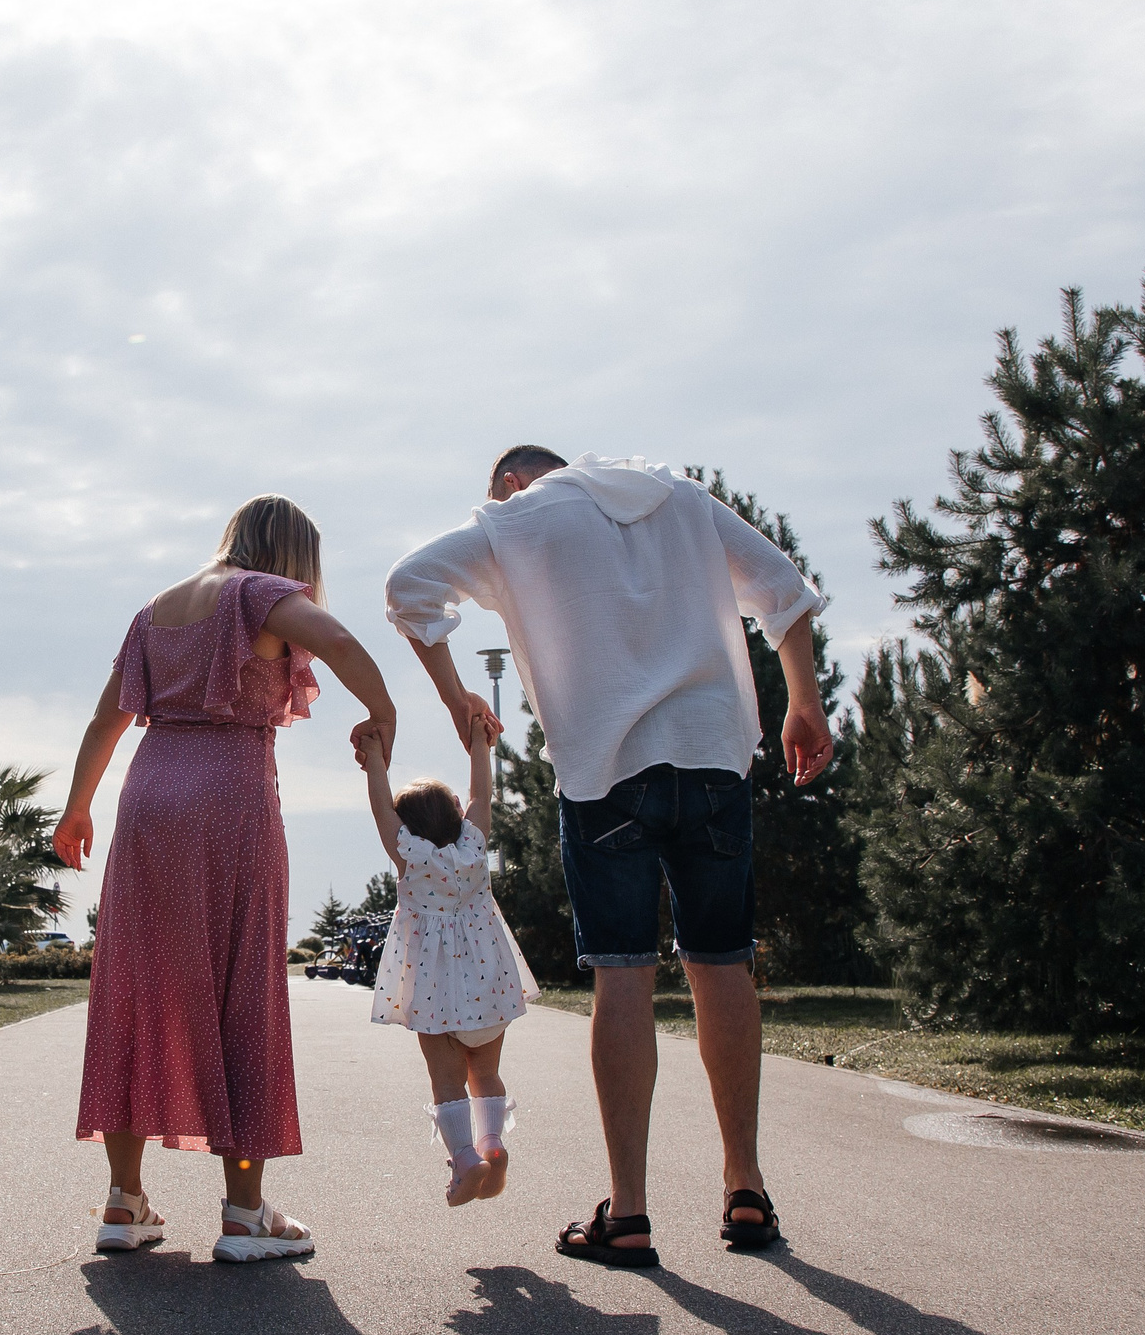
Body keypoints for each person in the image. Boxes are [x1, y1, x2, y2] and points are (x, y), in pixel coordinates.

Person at [383, 447, 834, 1268]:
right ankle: (746, 1187)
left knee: (624, 974)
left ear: (513, 482)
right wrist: (803, 701)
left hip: (605, 773)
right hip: (712, 754)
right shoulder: (683, 499)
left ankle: (628, 1214)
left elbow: (408, 588)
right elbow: (784, 588)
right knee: (721, 963)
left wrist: (457, 698)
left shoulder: (516, 516)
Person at [56, 495, 398, 1263]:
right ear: (291, 557)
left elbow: (106, 719)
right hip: (230, 799)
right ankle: (244, 1214)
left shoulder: (157, 609)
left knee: (135, 990)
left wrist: (77, 808)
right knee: (243, 988)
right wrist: (384, 711)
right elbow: (339, 639)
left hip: (146, 801)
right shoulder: (261, 594)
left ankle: (123, 1202)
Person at [360, 717, 539, 1206]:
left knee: (446, 1079)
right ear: (458, 815)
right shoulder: (474, 848)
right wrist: (480, 744)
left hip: (434, 993)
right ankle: (493, 1144)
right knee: (486, 1072)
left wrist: (375, 761)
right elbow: (484, 794)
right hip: (489, 985)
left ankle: (464, 1157)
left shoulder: (411, 858)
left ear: (408, 827)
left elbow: (382, 813)